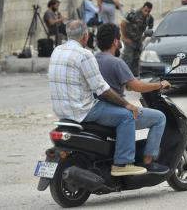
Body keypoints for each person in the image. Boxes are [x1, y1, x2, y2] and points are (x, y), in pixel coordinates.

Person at [48, 20, 146, 177]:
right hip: (83, 110)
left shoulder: (57, 51)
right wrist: (127, 105)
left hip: (62, 112)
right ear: (85, 36)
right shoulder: (84, 55)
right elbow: (103, 91)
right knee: (127, 117)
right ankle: (122, 163)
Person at [95, 23, 170, 174]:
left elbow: (124, 84)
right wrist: (159, 85)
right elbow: (138, 87)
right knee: (160, 118)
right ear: (116, 42)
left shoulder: (93, 59)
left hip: (99, 109)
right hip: (115, 109)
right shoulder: (116, 62)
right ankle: (148, 162)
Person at [120, 2, 154, 76]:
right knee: (127, 60)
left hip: (138, 42)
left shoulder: (149, 18)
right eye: (145, 10)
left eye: (149, 11)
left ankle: (134, 78)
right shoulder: (133, 14)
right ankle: (123, 77)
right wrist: (124, 37)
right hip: (129, 40)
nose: (146, 13)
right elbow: (123, 24)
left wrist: (143, 38)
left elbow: (148, 31)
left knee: (136, 61)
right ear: (142, 8)